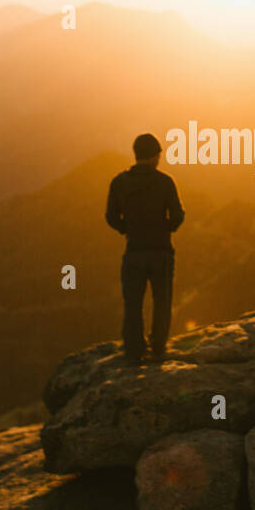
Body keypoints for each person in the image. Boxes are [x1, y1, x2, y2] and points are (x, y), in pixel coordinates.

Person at [104, 133, 185, 361]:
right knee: (162, 300)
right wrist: (166, 228)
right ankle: (158, 346)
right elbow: (178, 215)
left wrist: (126, 229)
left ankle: (134, 349)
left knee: (133, 303)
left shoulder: (119, 182)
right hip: (161, 251)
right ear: (154, 156)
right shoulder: (165, 182)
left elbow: (111, 216)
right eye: (159, 154)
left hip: (134, 251)